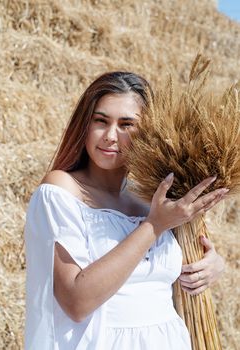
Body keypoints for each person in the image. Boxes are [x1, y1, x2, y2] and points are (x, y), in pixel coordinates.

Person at [24, 71, 225, 350]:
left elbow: (180, 265)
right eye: (101, 121)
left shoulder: (154, 197)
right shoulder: (60, 190)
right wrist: (153, 226)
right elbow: (76, 302)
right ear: (84, 124)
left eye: (126, 124)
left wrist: (213, 265)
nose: (110, 136)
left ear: (147, 132)